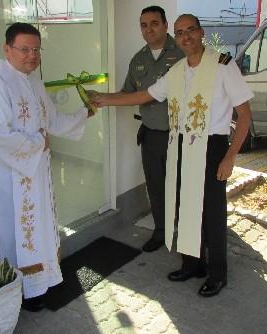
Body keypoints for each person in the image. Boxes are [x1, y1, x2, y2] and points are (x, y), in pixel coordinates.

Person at [93, 14, 253, 297]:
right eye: (180, 32)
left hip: (212, 147)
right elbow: (145, 96)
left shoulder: (223, 66)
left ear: (201, 32)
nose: (185, 36)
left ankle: (217, 273)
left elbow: (244, 116)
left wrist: (230, 157)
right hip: (179, 144)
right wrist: (104, 99)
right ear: (176, 37)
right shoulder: (177, 70)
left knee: (212, 213)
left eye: (190, 30)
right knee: (184, 206)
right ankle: (193, 264)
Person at [0, 22, 94, 311]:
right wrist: (39, 143)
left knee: (37, 227)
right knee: (14, 234)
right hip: (10, 178)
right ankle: (16, 292)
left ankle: (38, 283)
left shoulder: (34, 82)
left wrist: (85, 112)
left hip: (35, 173)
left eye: (37, 49)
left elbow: (51, 121)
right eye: (24, 49)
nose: (32, 55)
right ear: (7, 49)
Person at [97, 6, 184, 252]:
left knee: (185, 184)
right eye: (143, 25)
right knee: (155, 186)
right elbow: (128, 94)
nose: (149, 29)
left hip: (182, 135)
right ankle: (161, 231)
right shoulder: (138, 60)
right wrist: (101, 97)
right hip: (152, 134)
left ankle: (194, 231)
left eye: (154, 23)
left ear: (166, 25)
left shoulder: (182, 53)